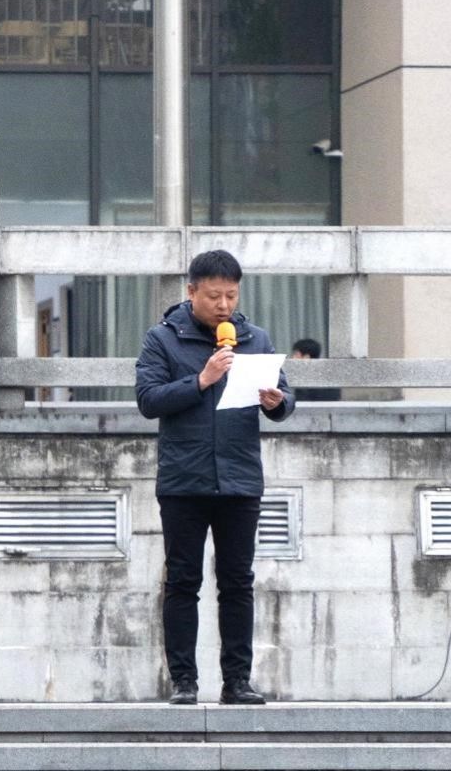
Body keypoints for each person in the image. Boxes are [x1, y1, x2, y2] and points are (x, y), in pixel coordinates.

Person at [136, 250, 295, 706]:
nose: (223, 305)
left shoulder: (255, 339)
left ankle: (237, 682)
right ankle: (184, 682)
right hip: (183, 480)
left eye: (231, 295)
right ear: (191, 292)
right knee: (183, 582)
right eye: (213, 296)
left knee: (237, 582)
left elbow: (286, 398)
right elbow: (148, 400)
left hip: (240, 478)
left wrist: (278, 402)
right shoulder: (162, 339)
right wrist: (201, 380)